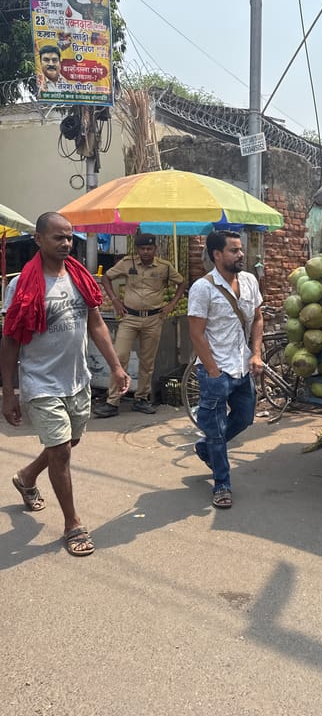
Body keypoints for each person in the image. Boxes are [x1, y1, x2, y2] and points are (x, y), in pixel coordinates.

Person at [0, 212, 129, 557]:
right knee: (60, 452)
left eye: (70, 237)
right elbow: (10, 340)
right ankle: (73, 524)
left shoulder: (79, 276)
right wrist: (9, 392)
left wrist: (116, 367)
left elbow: (96, 324)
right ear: (39, 240)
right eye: (58, 237)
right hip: (40, 381)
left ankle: (26, 477)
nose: (66, 243)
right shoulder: (22, 285)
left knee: (69, 441)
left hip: (77, 379)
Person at [187, 230, 263, 509]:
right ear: (217, 254)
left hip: (242, 366)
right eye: (234, 250)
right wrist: (213, 371)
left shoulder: (249, 281)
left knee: (245, 417)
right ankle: (222, 484)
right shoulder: (202, 288)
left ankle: (205, 449)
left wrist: (255, 354)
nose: (240, 255)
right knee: (217, 430)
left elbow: (257, 318)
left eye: (240, 249)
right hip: (215, 370)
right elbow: (196, 333)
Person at [94, 233, 186, 417]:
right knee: (119, 357)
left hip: (154, 319)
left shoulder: (164, 267)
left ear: (155, 249)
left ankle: (141, 398)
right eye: (142, 248)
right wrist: (114, 300)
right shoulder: (128, 263)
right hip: (129, 317)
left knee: (147, 362)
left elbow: (182, 283)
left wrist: (171, 305)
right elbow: (106, 278)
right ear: (137, 249)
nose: (146, 252)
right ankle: (112, 402)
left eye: (149, 248)